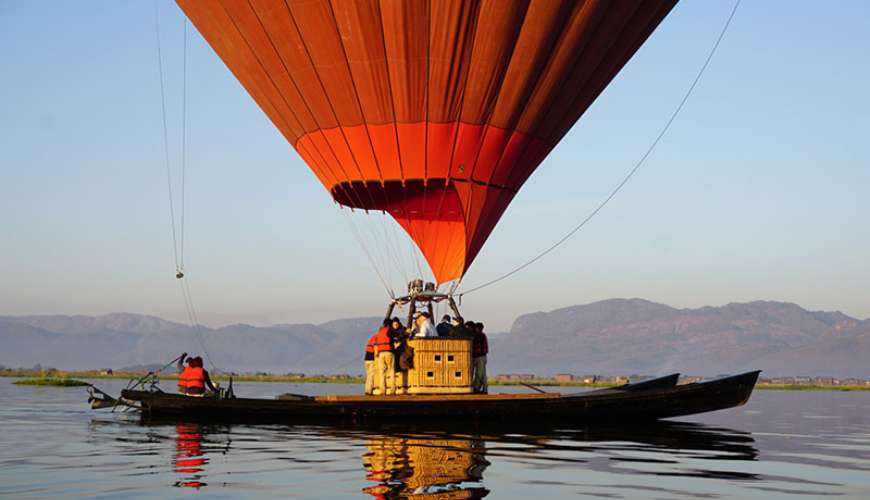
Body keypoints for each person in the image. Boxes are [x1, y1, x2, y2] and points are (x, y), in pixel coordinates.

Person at [372, 319, 396, 395]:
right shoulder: (390, 331)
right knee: (391, 371)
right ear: (389, 325)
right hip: (389, 352)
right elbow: (396, 337)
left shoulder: (380, 332)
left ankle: (382, 390)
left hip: (381, 353)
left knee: (382, 372)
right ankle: (392, 390)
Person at [471, 323, 489, 394]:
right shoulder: (481, 336)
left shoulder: (480, 336)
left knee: (480, 374)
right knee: (482, 374)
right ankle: (483, 389)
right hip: (480, 356)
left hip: (480, 357)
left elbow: (481, 347)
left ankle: (477, 388)